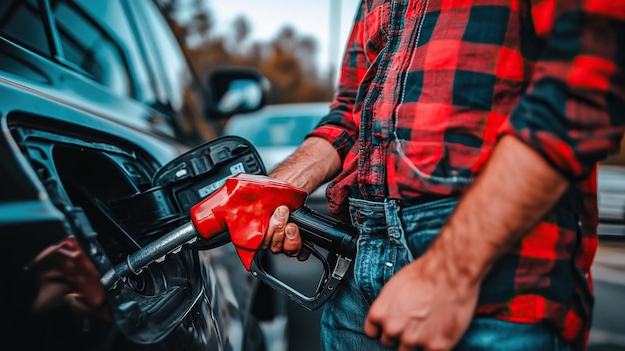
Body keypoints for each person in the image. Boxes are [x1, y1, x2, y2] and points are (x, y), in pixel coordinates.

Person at [262, 1, 625, 350]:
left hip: (495, 283)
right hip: (358, 269)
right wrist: (274, 188)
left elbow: (583, 84)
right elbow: (349, 113)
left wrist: (449, 272)